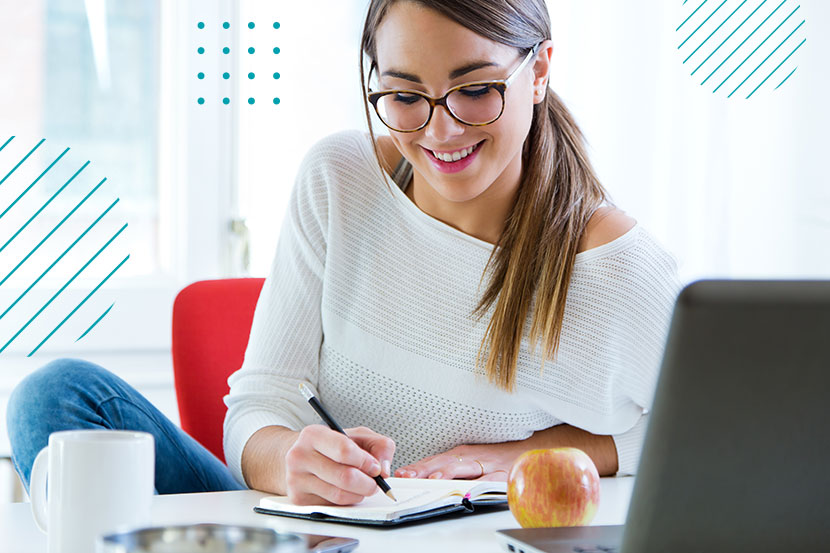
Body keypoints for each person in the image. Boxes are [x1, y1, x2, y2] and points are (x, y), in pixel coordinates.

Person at [7, 0, 680, 506]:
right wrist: (287, 461)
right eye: (404, 95)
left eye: (475, 89)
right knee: (55, 396)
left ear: (538, 71)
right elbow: (257, 407)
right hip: (299, 532)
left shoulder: (620, 267)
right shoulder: (340, 179)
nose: (440, 130)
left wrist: (534, 454)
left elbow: (712, 445)